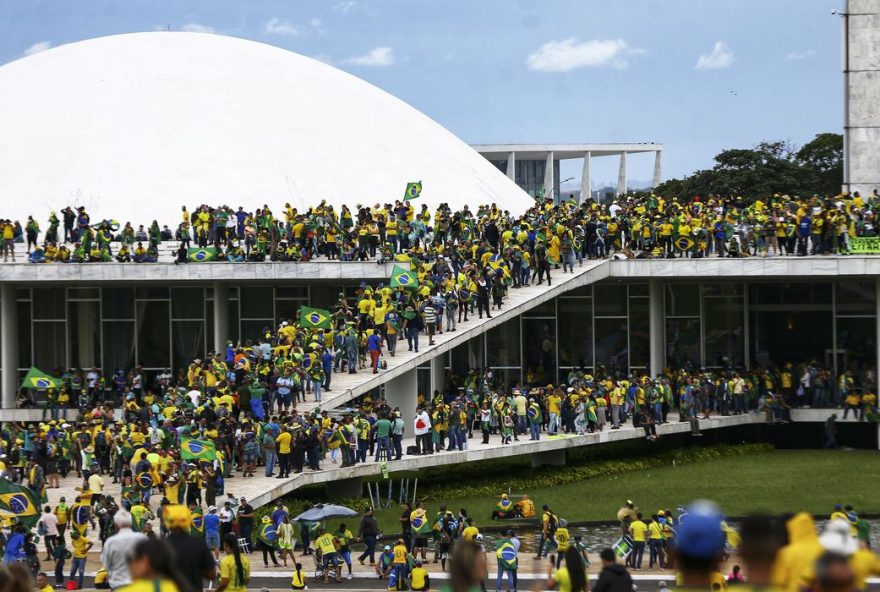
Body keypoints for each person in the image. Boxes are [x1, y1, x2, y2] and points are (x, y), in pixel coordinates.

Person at [163, 505, 216, 592]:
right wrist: (195, 568)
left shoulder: (161, 546)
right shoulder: (199, 544)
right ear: (187, 520)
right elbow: (212, 575)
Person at [119, 538, 193, 592]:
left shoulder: (127, 590)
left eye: (130, 559)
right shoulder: (181, 588)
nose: (129, 565)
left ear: (145, 562)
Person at [101, 509, 148, 591]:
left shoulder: (111, 542)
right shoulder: (142, 538)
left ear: (116, 525)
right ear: (131, 523)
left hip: (118, 585)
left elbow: (106, 564)